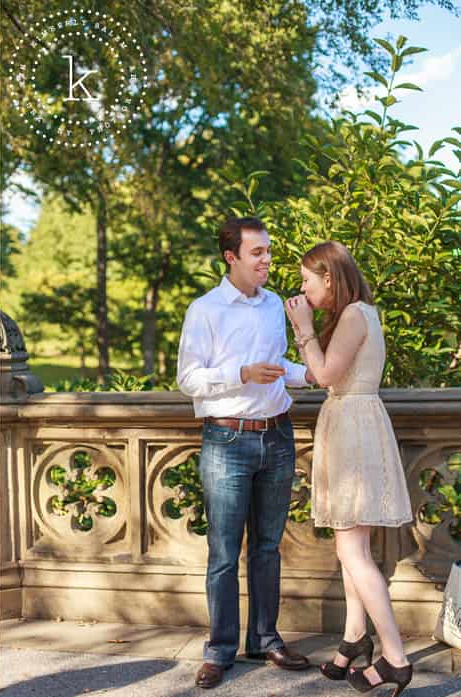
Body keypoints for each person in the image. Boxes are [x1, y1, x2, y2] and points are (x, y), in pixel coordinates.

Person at [177, 216, 314, 689]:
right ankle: (219, 650)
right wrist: (240, 373)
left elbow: (277, 367)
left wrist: (308, 373)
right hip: (227, 442)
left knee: (268, 547)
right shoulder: (205, 310)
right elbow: (189, 379)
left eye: (269, 252)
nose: (267, 261)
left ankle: (265, 639)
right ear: (231, 257)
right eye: (258, 253)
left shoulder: (274, 304)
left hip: (277, 436)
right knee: (222, 553)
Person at [285, 241, 413, 696]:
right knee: (350, 548)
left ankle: (395, 658)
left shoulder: (355, 314)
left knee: (353, 550)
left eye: (307, 280)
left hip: (353, 428)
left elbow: (323, 375)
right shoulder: (362, 313)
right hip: (354, 423)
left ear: (329, 278)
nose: (302, 288)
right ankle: (354, 640)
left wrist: (302, 329)